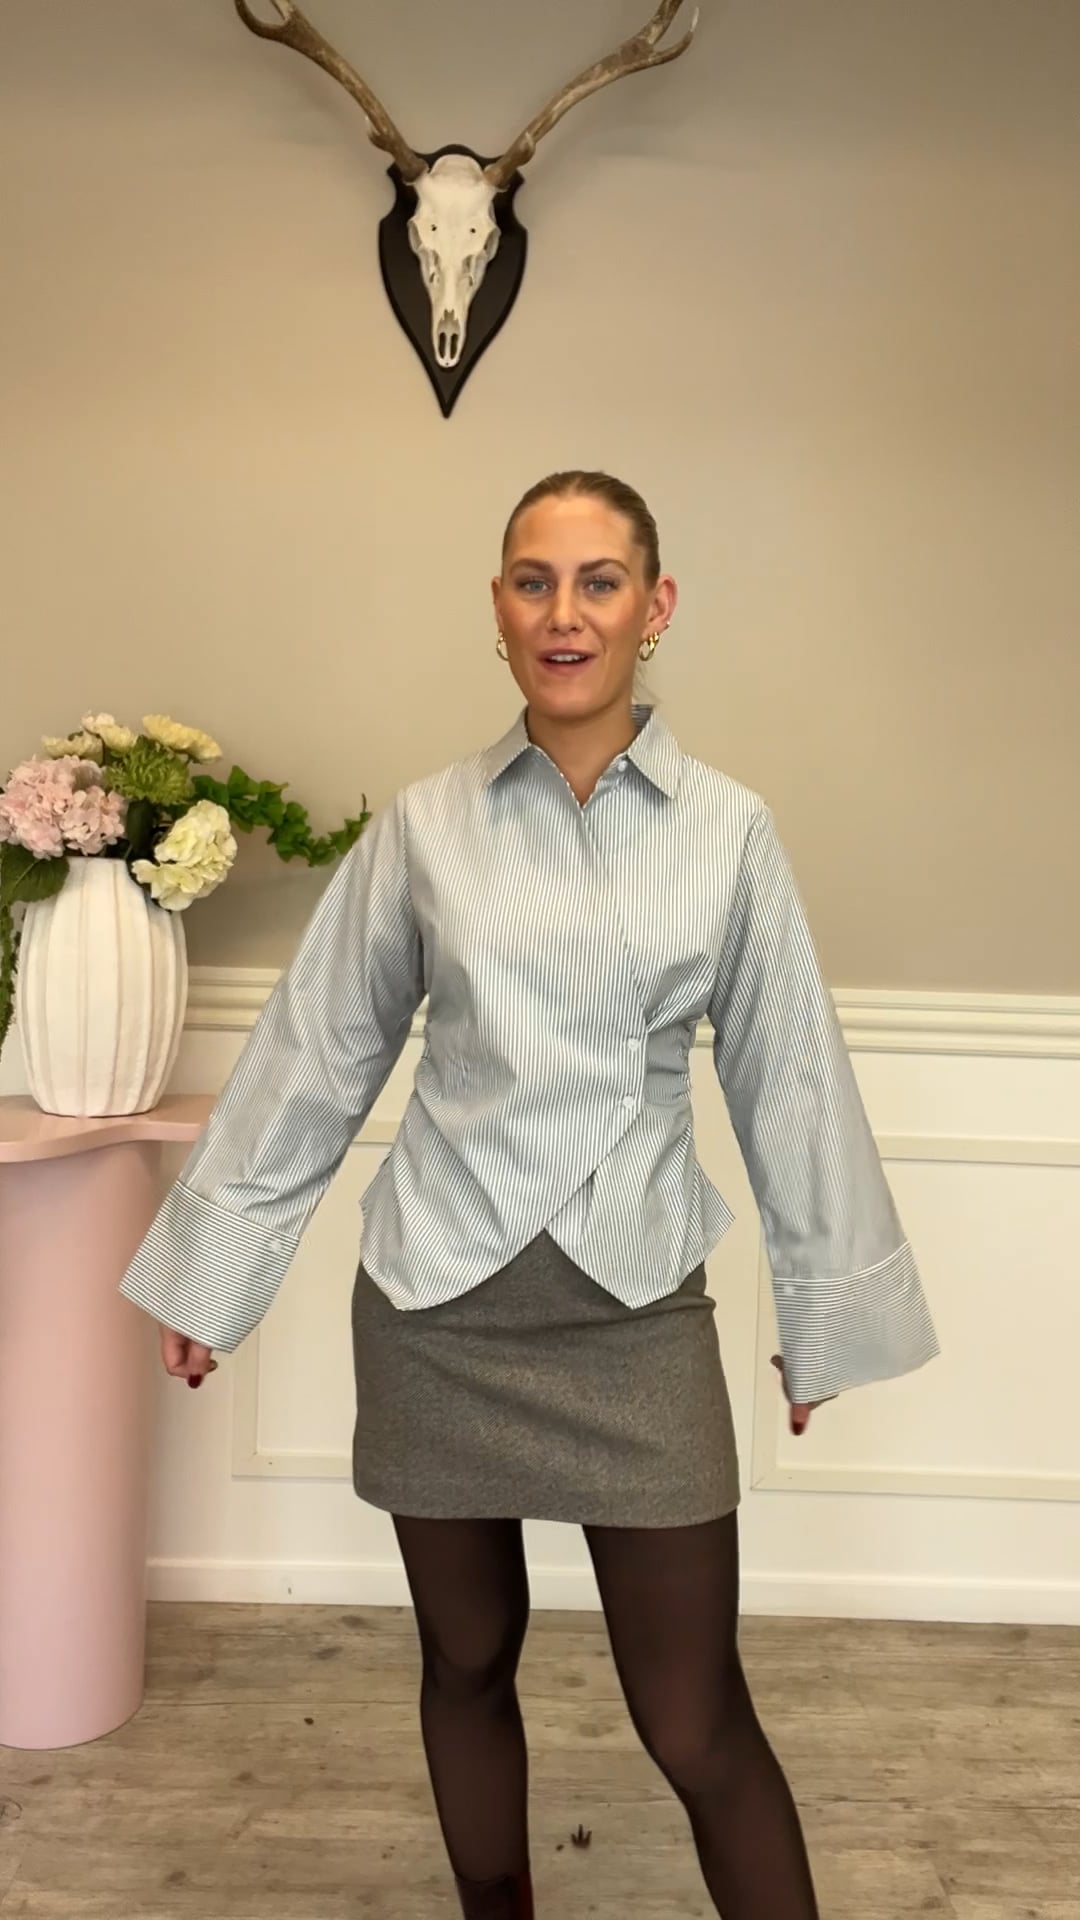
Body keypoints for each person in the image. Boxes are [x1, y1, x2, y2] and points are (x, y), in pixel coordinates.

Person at [120, 470, 939, 1920]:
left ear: (654, 606)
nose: (566, 612)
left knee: (695, 1721)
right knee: (465, 1662)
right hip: (436, 1305)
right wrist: (214, 1275)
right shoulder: (426, 827)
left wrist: (826, 1316)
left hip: (636, 1313)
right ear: (498, 610)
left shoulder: (729, 831)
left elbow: (790, 1076)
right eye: (533, 580)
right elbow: (320, 1051)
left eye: (599, 581)